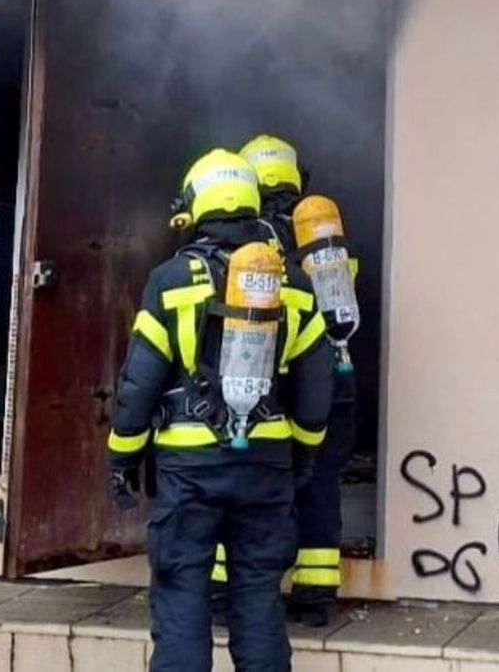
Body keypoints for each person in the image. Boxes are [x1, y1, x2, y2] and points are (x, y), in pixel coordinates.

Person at [106, 148, 334, 672]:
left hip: (189, 473)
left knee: (183, 591)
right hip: (267, 467)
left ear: (196, 207)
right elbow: (317, 384)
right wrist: (302, 453)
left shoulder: (170, 281)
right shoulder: (292, 283)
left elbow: (139, 382)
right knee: (257, 597)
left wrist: (122, 458)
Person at [239, 134, 359, 627]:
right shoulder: (320, 234)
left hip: (284, 381)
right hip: (338, 378)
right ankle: (315, 594)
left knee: (260, 483)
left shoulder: (250, 237)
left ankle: (247, 591)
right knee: (321, 480)